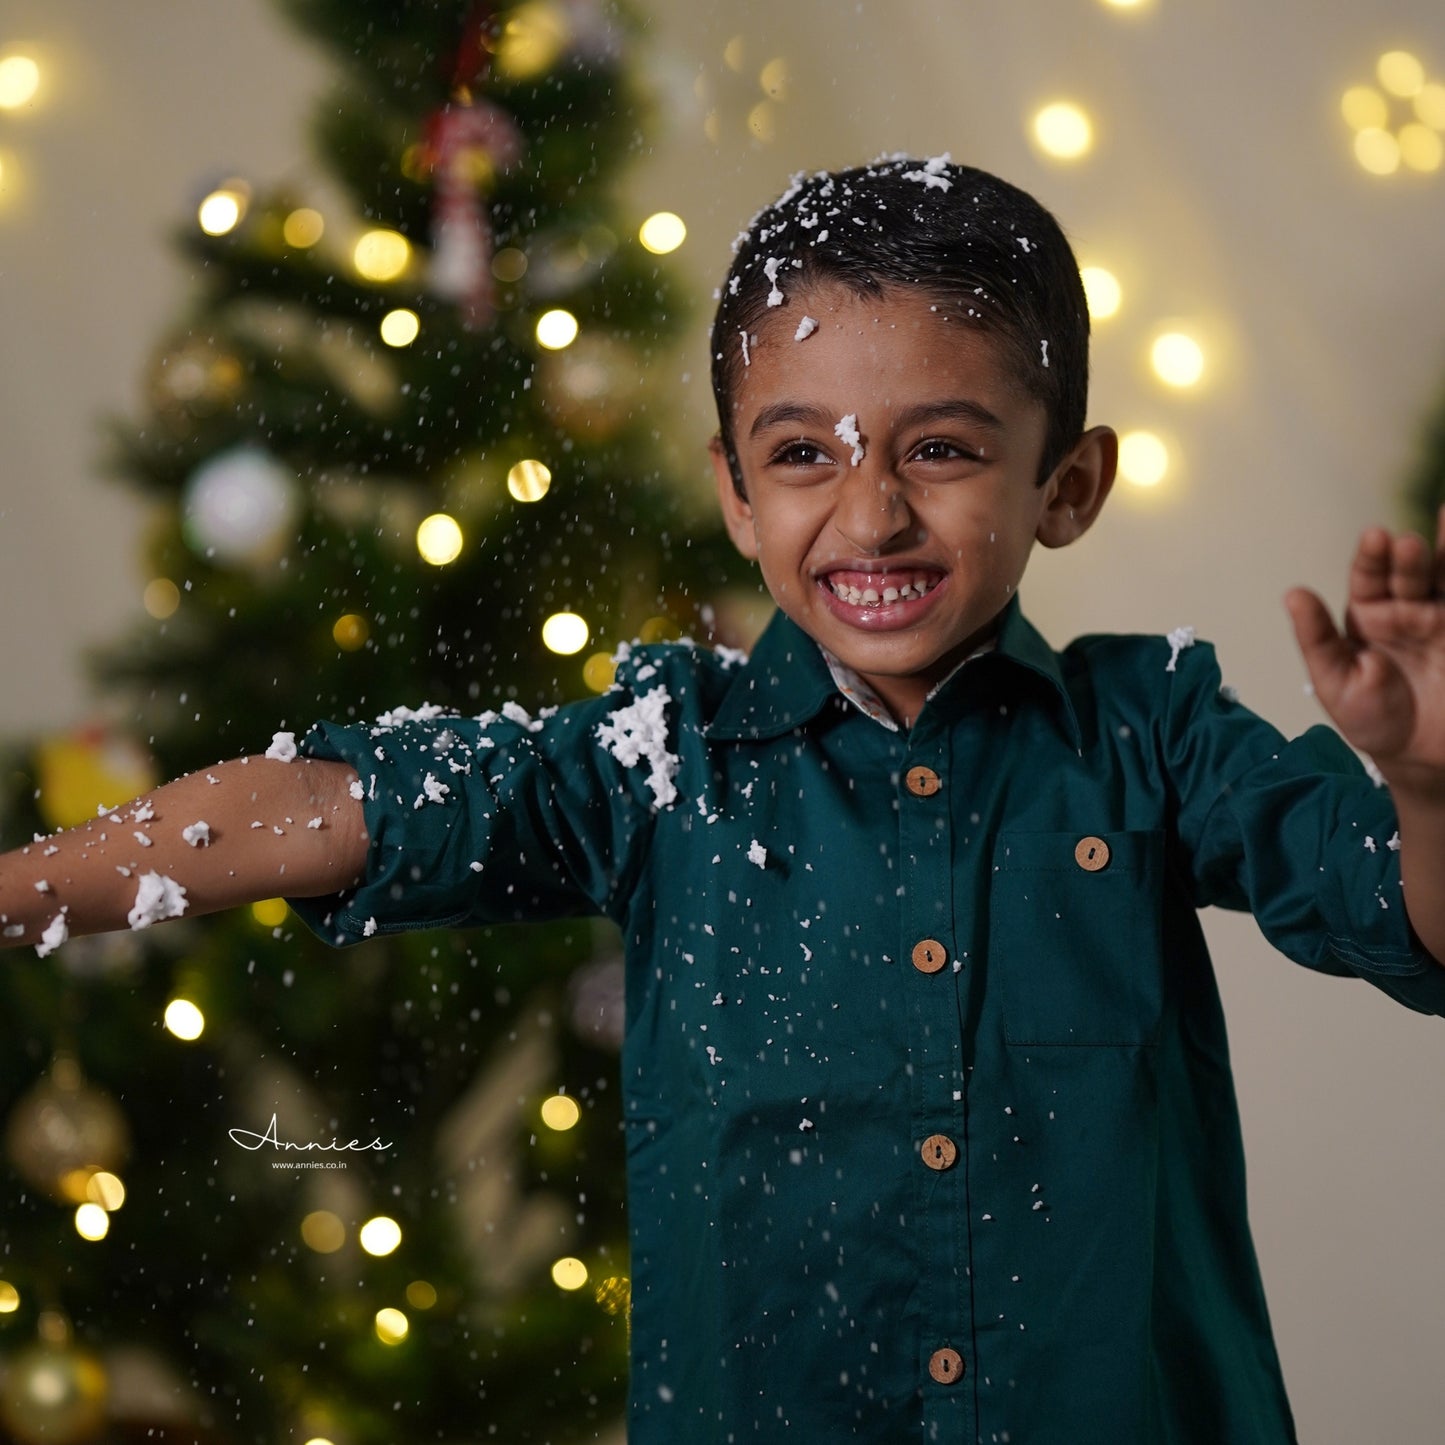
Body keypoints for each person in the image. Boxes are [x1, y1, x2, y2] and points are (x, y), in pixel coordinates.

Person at [4, 156, 1445, 1443]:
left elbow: (1406, 913)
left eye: (940, 448)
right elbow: (334, 806)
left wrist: (1430, 781)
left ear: (1066, 484)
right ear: (737, 493)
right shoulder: (656, 763)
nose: (870, 512)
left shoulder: (1153, 735)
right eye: (802, 453)